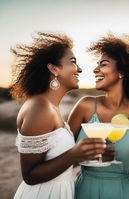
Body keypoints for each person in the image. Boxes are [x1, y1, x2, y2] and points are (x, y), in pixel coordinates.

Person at [11, 32, 106, 199]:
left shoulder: (49, 106)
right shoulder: (40, 109)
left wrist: (85, 154)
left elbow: (56, 160)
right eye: (73, 62)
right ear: (54, 69)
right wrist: (73, 155)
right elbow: (30, 175)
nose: (80, 69)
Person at [68, 33, 129, 199]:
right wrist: (87, 154)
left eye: (103, 64)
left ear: (122, 71)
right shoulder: (84, 106)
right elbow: (62, 159)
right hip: (85, 191)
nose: (95, 69)